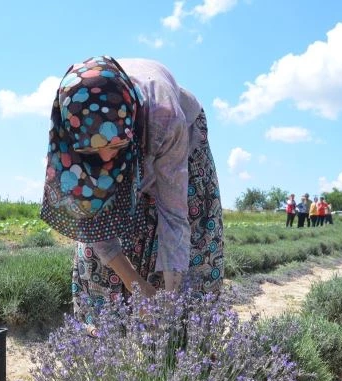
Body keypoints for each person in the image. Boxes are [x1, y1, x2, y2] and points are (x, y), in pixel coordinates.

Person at [40, 56, 224, 325]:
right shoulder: (72, 129)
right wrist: (134, 283)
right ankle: (106, 331)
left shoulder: (165, 117)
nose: (104, 158)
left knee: (193, 237)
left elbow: (173, 214)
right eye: (92, 149)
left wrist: (170, 301)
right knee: (96, 252)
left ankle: (182, 330)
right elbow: (91, 222)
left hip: (177, 127)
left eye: (114, 146)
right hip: (126, 129)